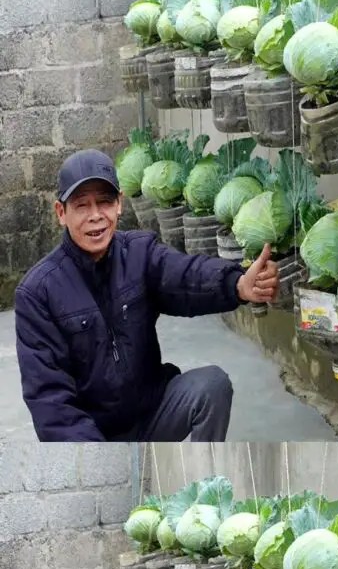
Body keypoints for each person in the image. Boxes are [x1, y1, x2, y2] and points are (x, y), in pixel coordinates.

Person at [15, 149, 280, 442]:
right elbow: (51, 402)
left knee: (211, 387)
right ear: (61, 213)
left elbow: (184, 275)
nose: (95, 216)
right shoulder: (38, 292)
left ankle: (202, 479)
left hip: (153, 414)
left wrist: (237, 284)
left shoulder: (139, 253)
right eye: (81, 206)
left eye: (104, 202)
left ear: (119, 204)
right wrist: (99, 466)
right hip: (98, 435)